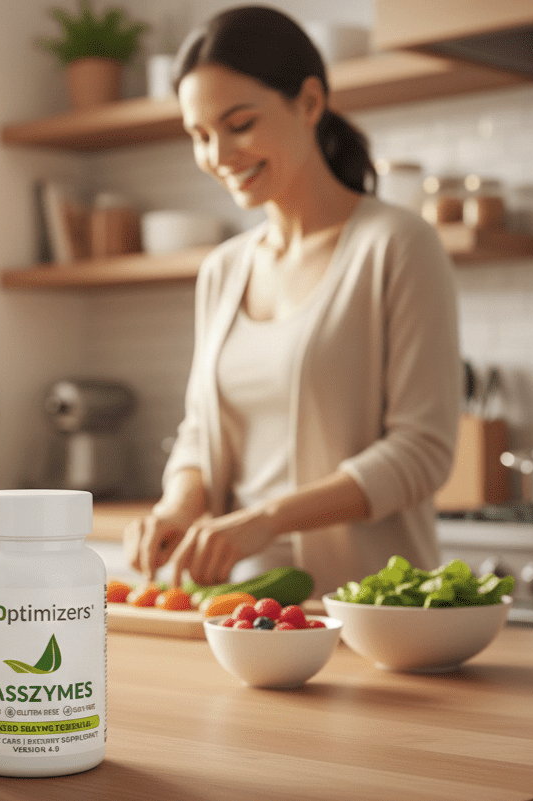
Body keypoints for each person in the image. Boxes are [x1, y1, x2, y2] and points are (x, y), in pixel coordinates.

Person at [123, 6, 461, 596]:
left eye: (239, 124)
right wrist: (179, 504)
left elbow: (422, 451)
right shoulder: (224, 269)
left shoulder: (398, 246)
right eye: (199, 136)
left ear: (309, 102)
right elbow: (202, 430)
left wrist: (269, 519)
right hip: (234, 611)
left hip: (369, 612)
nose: (219, 155)